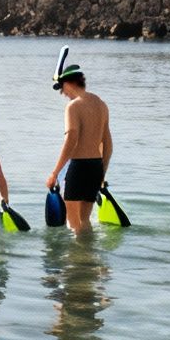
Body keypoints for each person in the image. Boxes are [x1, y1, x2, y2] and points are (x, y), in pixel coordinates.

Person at [44, 64, 112, 235]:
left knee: (73, 223)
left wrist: (55, 172)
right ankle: (89, 257)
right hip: (96, 166)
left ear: (69, 83)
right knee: (85, 221)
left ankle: (78, 260)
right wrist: (102, 172)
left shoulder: (73, 107)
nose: (63, 93)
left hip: (78, 168)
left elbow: (71, 139)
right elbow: (108, 144)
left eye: (62, 88)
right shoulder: (101, 104)